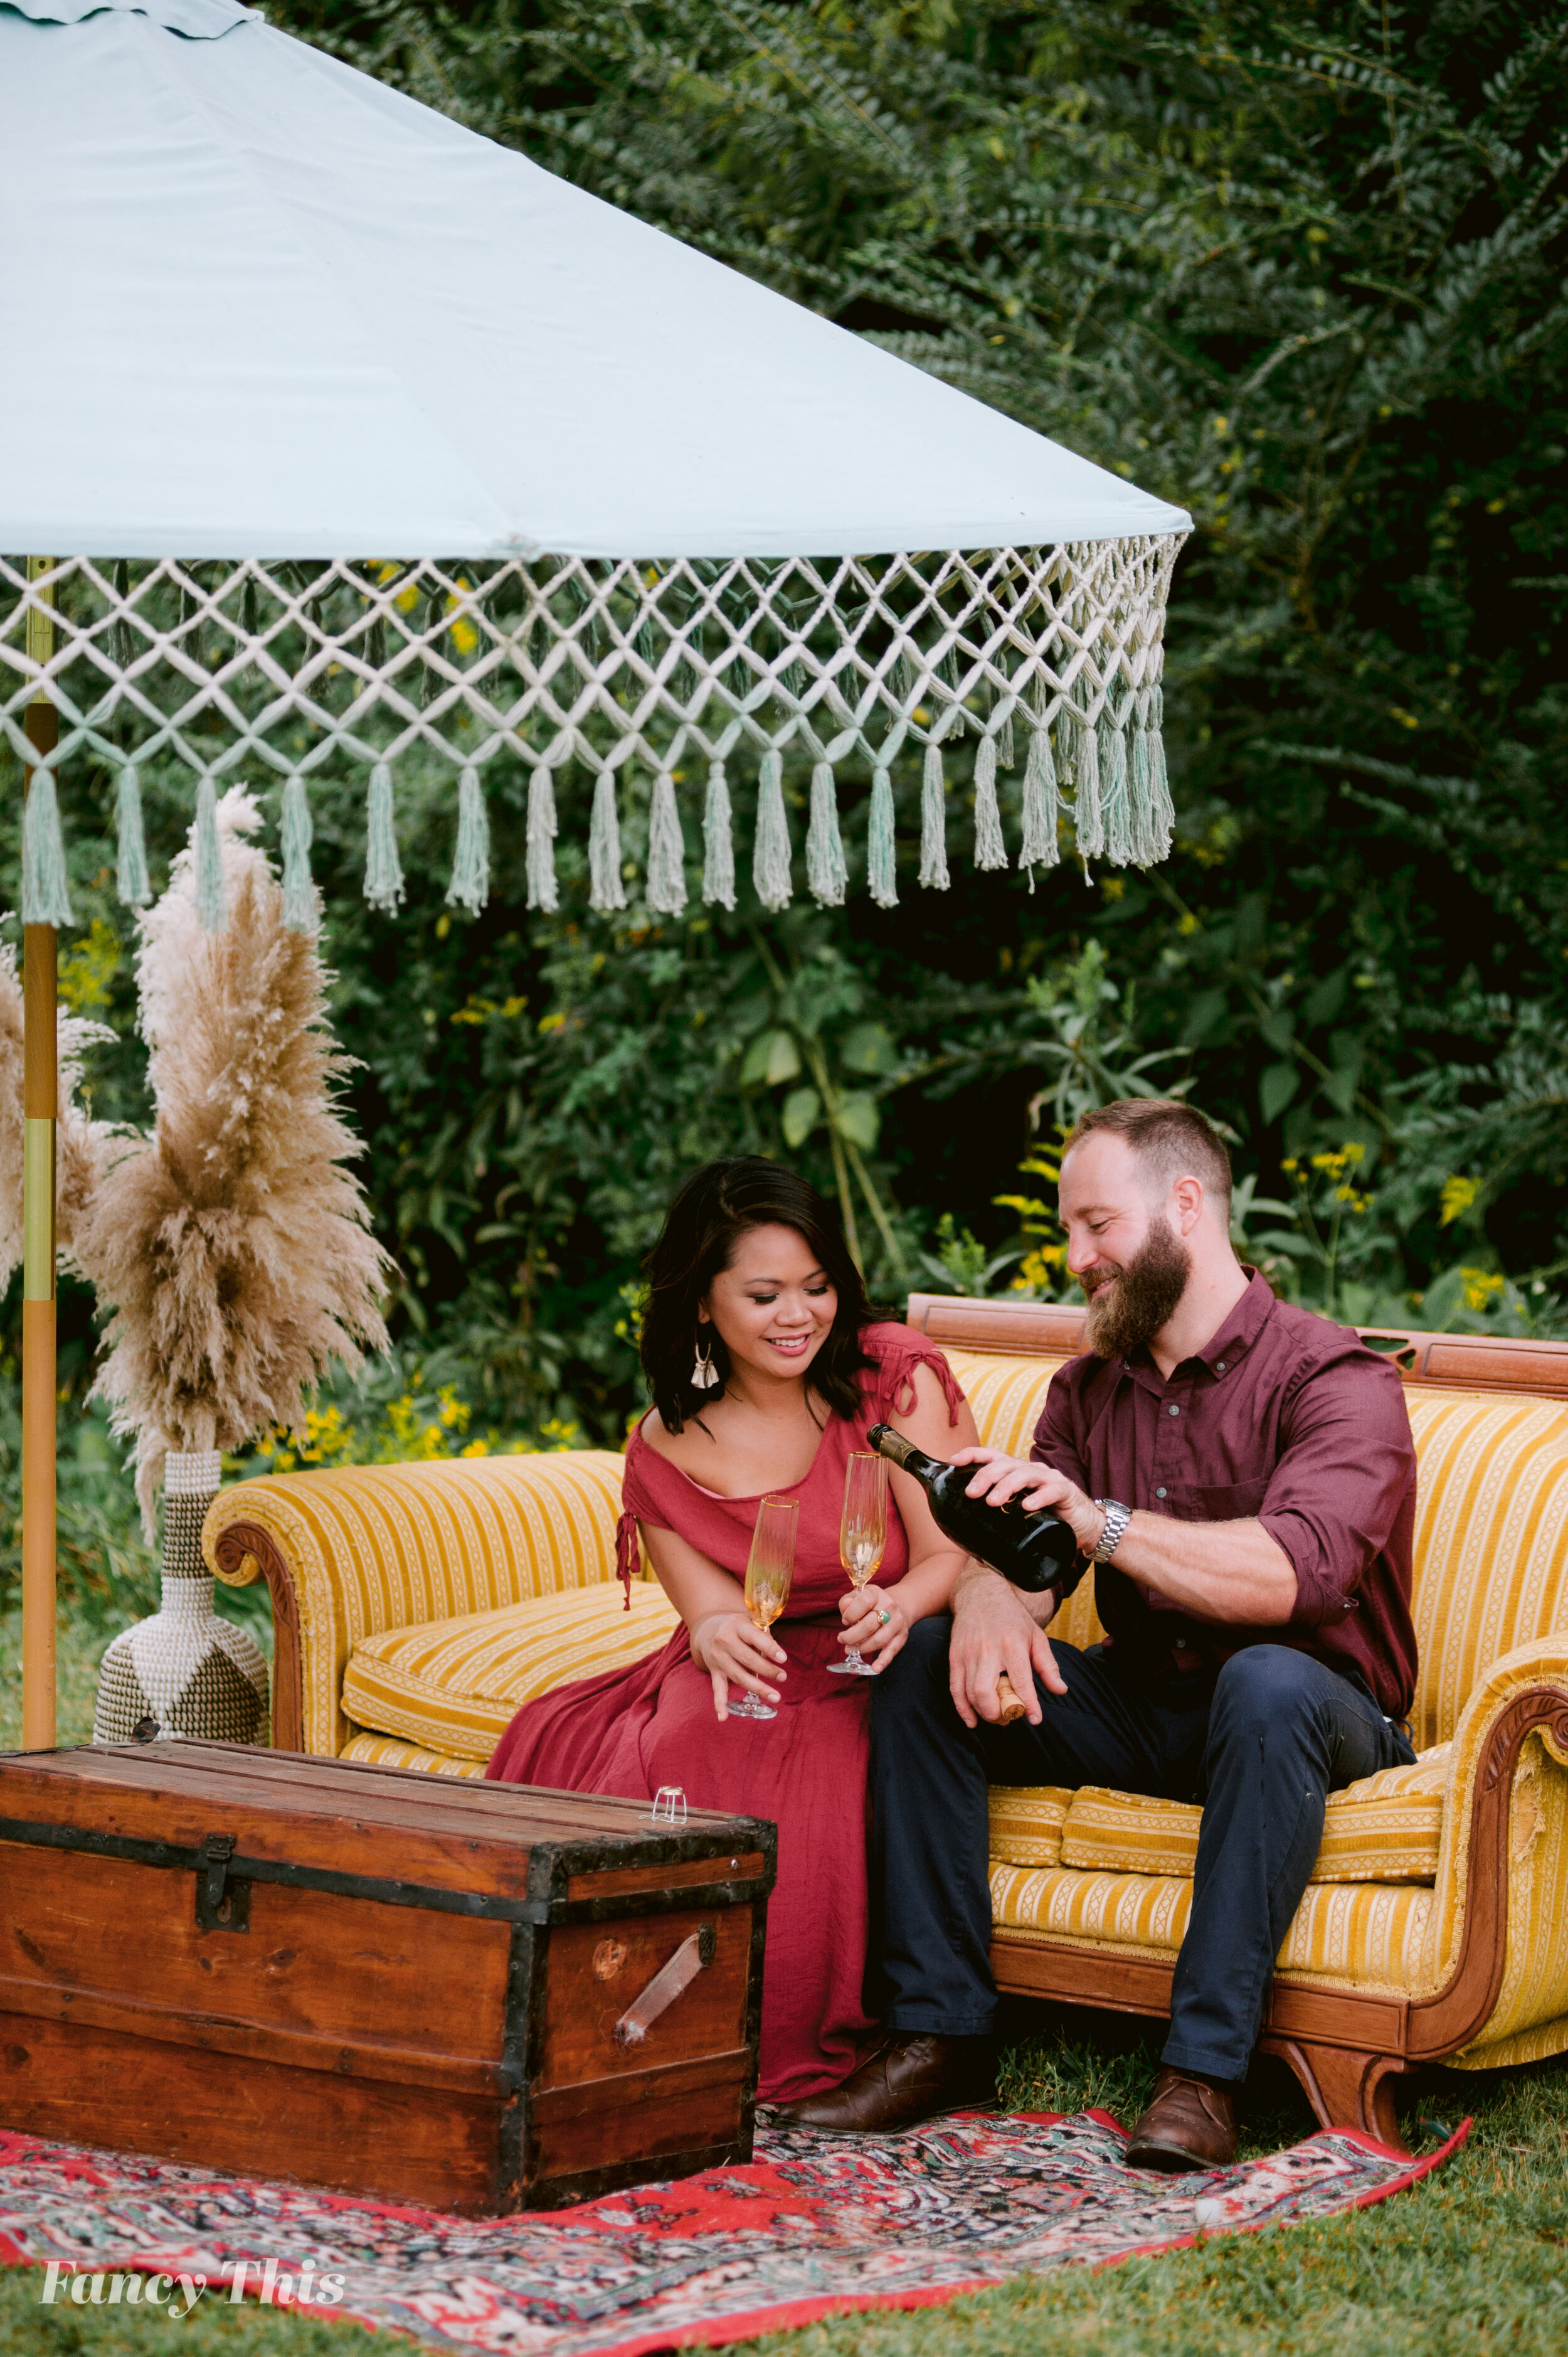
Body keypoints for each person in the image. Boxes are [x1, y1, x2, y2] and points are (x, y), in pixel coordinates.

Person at [787, 1099, 1419, 2168]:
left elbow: (1296, 1572)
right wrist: (987, 1592)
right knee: (925, 1663)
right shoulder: (1087, 1388)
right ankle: (939, 2030)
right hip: (1153, 1704)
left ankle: (1204, 2076)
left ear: (1184, 1205)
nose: (1076, 1256)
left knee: (1264, 1681)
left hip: (1315, 1716)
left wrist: (1105, 1523)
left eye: (1096, 1225)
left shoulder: (1335, 1378)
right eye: (1068, 1230)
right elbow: (1032, 1562)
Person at [485, 1155, 980, 2107]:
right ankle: (622, 2020)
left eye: (817, 1286)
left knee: (823, 1780)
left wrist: (905, 1605)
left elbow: (953, 1552)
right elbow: (708, 1609)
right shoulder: (666, 1441)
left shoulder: (889, 1379)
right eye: (764, 1294)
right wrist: (712, 1635)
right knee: (676, 1743)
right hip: (750, 1658)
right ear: (704, 1305)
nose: (798, 1315)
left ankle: (758, 2036)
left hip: (873, 1656)